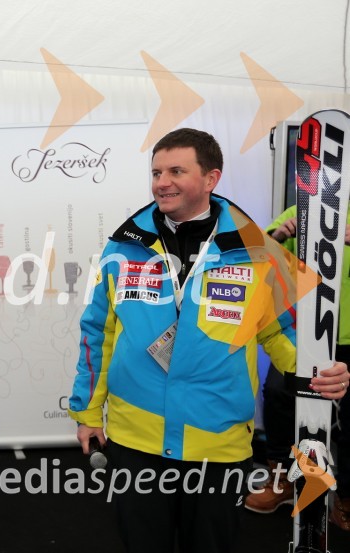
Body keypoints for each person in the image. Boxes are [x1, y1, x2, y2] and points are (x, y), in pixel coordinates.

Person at [68, 128, 349, 553]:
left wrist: (319, 374)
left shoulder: (258, 250)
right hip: (136, 439)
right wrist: (87, 412)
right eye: (156, 172)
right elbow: (98, 333)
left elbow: (283, 330)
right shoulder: (123, 247)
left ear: (211, 178)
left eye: (176, 171)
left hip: (217, 442)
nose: (162, 182)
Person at [244, 204, 350, 531]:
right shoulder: (305, 207)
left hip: (347, 336)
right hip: (304, 333)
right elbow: (259, 252)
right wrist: (280, 234)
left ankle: (345, 496)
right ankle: (282, 479)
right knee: (278, 395)